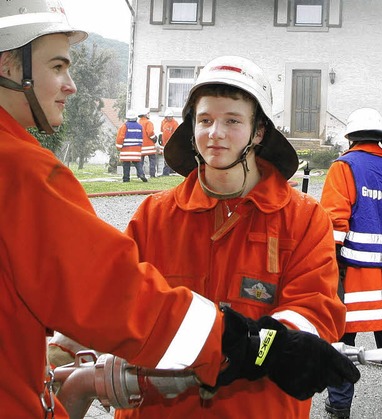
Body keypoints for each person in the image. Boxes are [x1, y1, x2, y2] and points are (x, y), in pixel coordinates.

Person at [0, 2, 358, 417]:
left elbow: (314, 317)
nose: (215, 134)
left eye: (232, 121)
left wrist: (271, 346)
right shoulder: (154, 215)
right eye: (204, 120)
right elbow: (109, 298)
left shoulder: (302, 218)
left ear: (259, 131)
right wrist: (66, 350)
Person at [321, 108, 382, 417]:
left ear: (351, 138)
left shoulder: (345, 167)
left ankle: (338, 405)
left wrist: (328, 260)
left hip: (351, 274)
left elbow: (334, 219)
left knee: (341, 339)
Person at [116, 110, 148, 182]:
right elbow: (142, 136)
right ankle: (141, 174)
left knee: (126, 164)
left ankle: (126, 178)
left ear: (127, 118)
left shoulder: (125, 126)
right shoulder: (140, 126)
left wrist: (118, 146)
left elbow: (120, 137)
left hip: (126, 149)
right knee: (137, 163)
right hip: (136, 148)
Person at [138, 108, 158, 177]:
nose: (149, 115)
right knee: (152, 160)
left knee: (140, 162)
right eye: (148, 113)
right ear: (145, 114)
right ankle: (152, 174)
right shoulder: (148, 122)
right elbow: (150, 133)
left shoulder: (138, 122)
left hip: (141, 146)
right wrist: (154, 138)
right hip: (149, 146)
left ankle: (139, 174)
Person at [159, 109, 179, 175]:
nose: (169, 118)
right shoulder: (163, 122)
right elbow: (162, 131)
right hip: (164, 142)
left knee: (168, 156)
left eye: (170, 117)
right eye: (168, 117)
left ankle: (166, 171)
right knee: (167, 156)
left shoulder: (175, 123)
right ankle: (170, 170)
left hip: (171, 143)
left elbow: (176, 133)